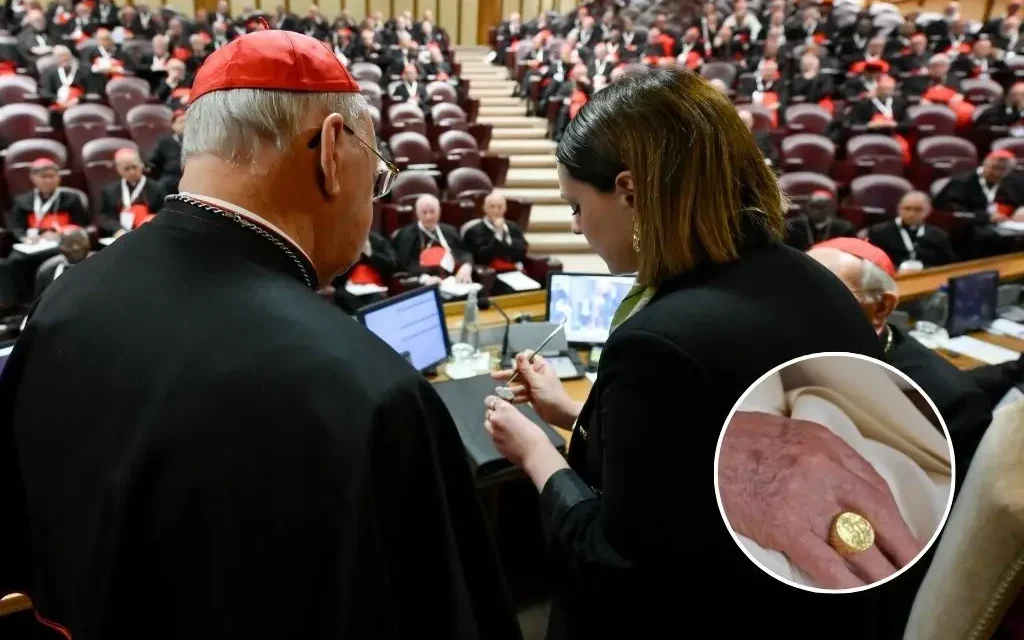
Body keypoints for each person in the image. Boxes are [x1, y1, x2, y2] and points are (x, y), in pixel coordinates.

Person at [0, 29, 521, 640]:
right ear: (331, 149)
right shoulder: (367, 392)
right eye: (377, 174)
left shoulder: (62, 299)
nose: (373, 198)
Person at [483, 68, 890, 638]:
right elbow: (703, 455)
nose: (575, 227)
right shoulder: (812, 278)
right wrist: (573, 414)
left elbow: (614, 560)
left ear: (629, 191)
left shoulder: (661, 340)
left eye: (575, 205)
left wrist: (534, 451)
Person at [392, 194, 474, 283]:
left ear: (439, 211)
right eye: (424, 212)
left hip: (452, 279)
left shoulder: (449, 230)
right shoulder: (407, 234)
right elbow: (405, 264)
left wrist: (467, 265)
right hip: (421, 281)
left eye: (432, 211)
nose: (429, 216)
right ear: (417, 214)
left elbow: (464, 253)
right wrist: (425, 277)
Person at [865, 190, 956, 270]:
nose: (912, 214)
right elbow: (872, 262)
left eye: (918, 209)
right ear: (899, 209)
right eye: (907, 209)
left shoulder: (939, 235)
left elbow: (947, 266)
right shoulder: (879, 232)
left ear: (928, 211)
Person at [5, 158, 90, 238]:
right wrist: (25, 238)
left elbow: (80, 226)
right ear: (33, 178)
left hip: (63, 243)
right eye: (43, 177)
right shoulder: (21, 201)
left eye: (51, 176)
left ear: (59, 178)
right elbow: (18, 228)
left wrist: (59, 234)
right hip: (32, 244)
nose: (48, 181)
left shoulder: (72, 199)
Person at [97, 148, 167, 238]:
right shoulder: (110, 191)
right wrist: (117, 229)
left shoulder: (157, 188)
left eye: (135, 167)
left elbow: (163, 214)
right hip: (119, 237)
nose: (132, 172)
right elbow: (105, 217)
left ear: (142, 165)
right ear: (118, 169)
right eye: (126, 169)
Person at [462, 192, 528, 274]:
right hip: (488, 273)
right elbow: (481, 258)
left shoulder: (513, 227)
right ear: (484, 208)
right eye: (492, 206)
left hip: (515, 269)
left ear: (505, 208)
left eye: (500, 207)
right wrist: (498, 234)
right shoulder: (474, 231)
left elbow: (522, 251)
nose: (496, 210)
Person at [784, 190, 855, 250]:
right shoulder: (793, 226)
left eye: (821, 207)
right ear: (807, 207)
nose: (817, 211)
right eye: (813, 206)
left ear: (830, 208)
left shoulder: (844, 228)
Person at [33, 226, 91, 300]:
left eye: (79, 242)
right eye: (68, 244)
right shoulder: (46, 270)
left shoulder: (101, 265)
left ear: (89, 245)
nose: (75, 248)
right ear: (60, 249)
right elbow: (39, 303)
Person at [146, 110, 185, 194]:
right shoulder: (165, 142)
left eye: (187, 122)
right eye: (181, 122)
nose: (185, 125)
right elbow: (155, 162)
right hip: (171, 177)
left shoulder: (196, 142)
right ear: (173, 125)